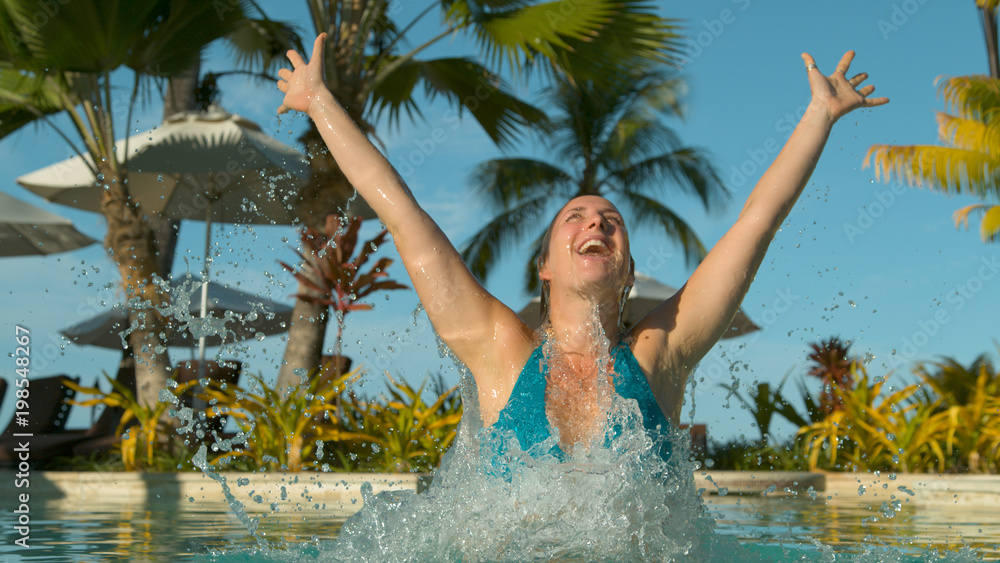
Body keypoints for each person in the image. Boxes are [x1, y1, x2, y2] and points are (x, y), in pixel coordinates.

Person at [276, 34, 888, 465]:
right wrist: (320, 103)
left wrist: (819, 116)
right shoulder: (500, 351)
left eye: (611, 220)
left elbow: (755, 226)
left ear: (625, 270)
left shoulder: (658, 355)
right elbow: (404, 217)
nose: (595, 222)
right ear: (545, 264)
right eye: (575, 216)